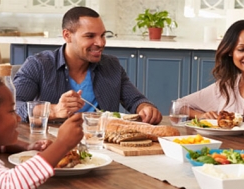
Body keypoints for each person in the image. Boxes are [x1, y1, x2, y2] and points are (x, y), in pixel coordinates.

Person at [13, 6, 162, 124]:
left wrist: (145, 108)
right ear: (67, 35)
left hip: (103, 145)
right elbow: (13, 106)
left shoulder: (112, 66)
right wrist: (53, 110)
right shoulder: (38, 65)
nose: (101, 43)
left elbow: (135, 100)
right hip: (53, 146)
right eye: (90, 36)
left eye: (103, 35)